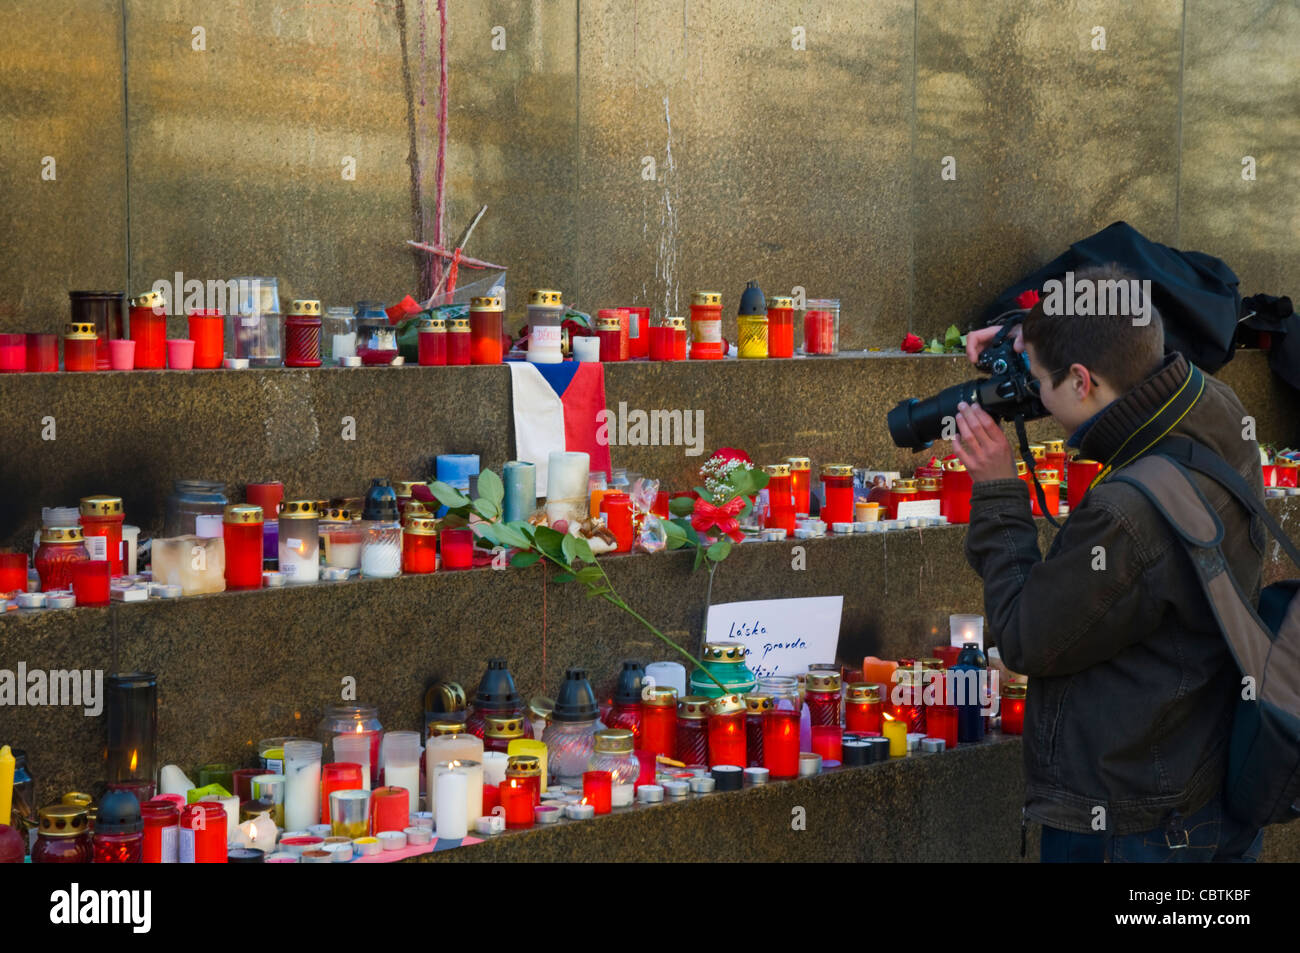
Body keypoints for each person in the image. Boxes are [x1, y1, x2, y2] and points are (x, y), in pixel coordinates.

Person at [953, 263, 1266, 862]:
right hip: (1209, 782)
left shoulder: (1125, 517)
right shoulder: (1218, 407)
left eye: (1041, 381)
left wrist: (997, 492)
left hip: (1128, 825)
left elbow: (1023, 637)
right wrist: (1035, 334)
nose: (1036, 394)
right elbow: (1119, 349)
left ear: (1080, 380)